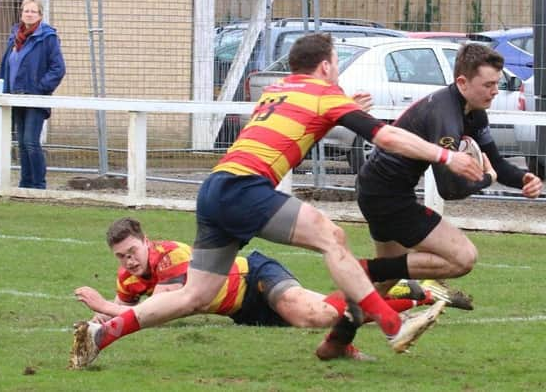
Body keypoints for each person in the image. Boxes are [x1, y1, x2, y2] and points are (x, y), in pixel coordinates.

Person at [69, 33, 485, 369]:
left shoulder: (278, 90)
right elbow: (387, 137)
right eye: (336, 62)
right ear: (326, 65)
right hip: (244, 188)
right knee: (331, 236)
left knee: (194, 296)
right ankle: (392, 323)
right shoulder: (324, 92)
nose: (336, 69)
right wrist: (446, 155)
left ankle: (104, 333)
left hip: (215, 188)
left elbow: (292, 127)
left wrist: (341, 111)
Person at [73, 218, 459, 366]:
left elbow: (163, 306)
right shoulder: (129, 278)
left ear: (146, 240)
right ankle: (419, 293)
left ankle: (403, 287)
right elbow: (122, 310)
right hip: (244, 311)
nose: (129, 263)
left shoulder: (170, 254)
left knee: (315, 316)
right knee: (326, 312)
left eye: (132, 252)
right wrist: (93, 322)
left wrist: (104, 307)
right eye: (121, 258)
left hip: (255, 276)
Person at [354, 43, 543, 303]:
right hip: (385, 197)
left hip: (380, 191)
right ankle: (365, 268)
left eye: (497, 84)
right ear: (463, 82)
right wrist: (487, 179)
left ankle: (339, 334)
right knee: (462, 258)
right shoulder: (446, 115)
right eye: (488, 85)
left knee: (383, 285)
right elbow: (449, 188)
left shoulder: (474, 114)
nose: (495, 91)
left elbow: (496, 163)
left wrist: (524, 179)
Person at [0, 0, 65, 189]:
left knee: (30, 142)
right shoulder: (14, 37)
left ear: (40, 15)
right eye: (26, 11)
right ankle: (25, 184)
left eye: (33, 11)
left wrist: (40, 88)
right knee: (21, 143)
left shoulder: (47, 37)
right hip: (15, 96)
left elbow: (57, 68)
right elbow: (7, 65)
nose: (29, 14)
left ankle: (38, 184)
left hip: (35, 98)